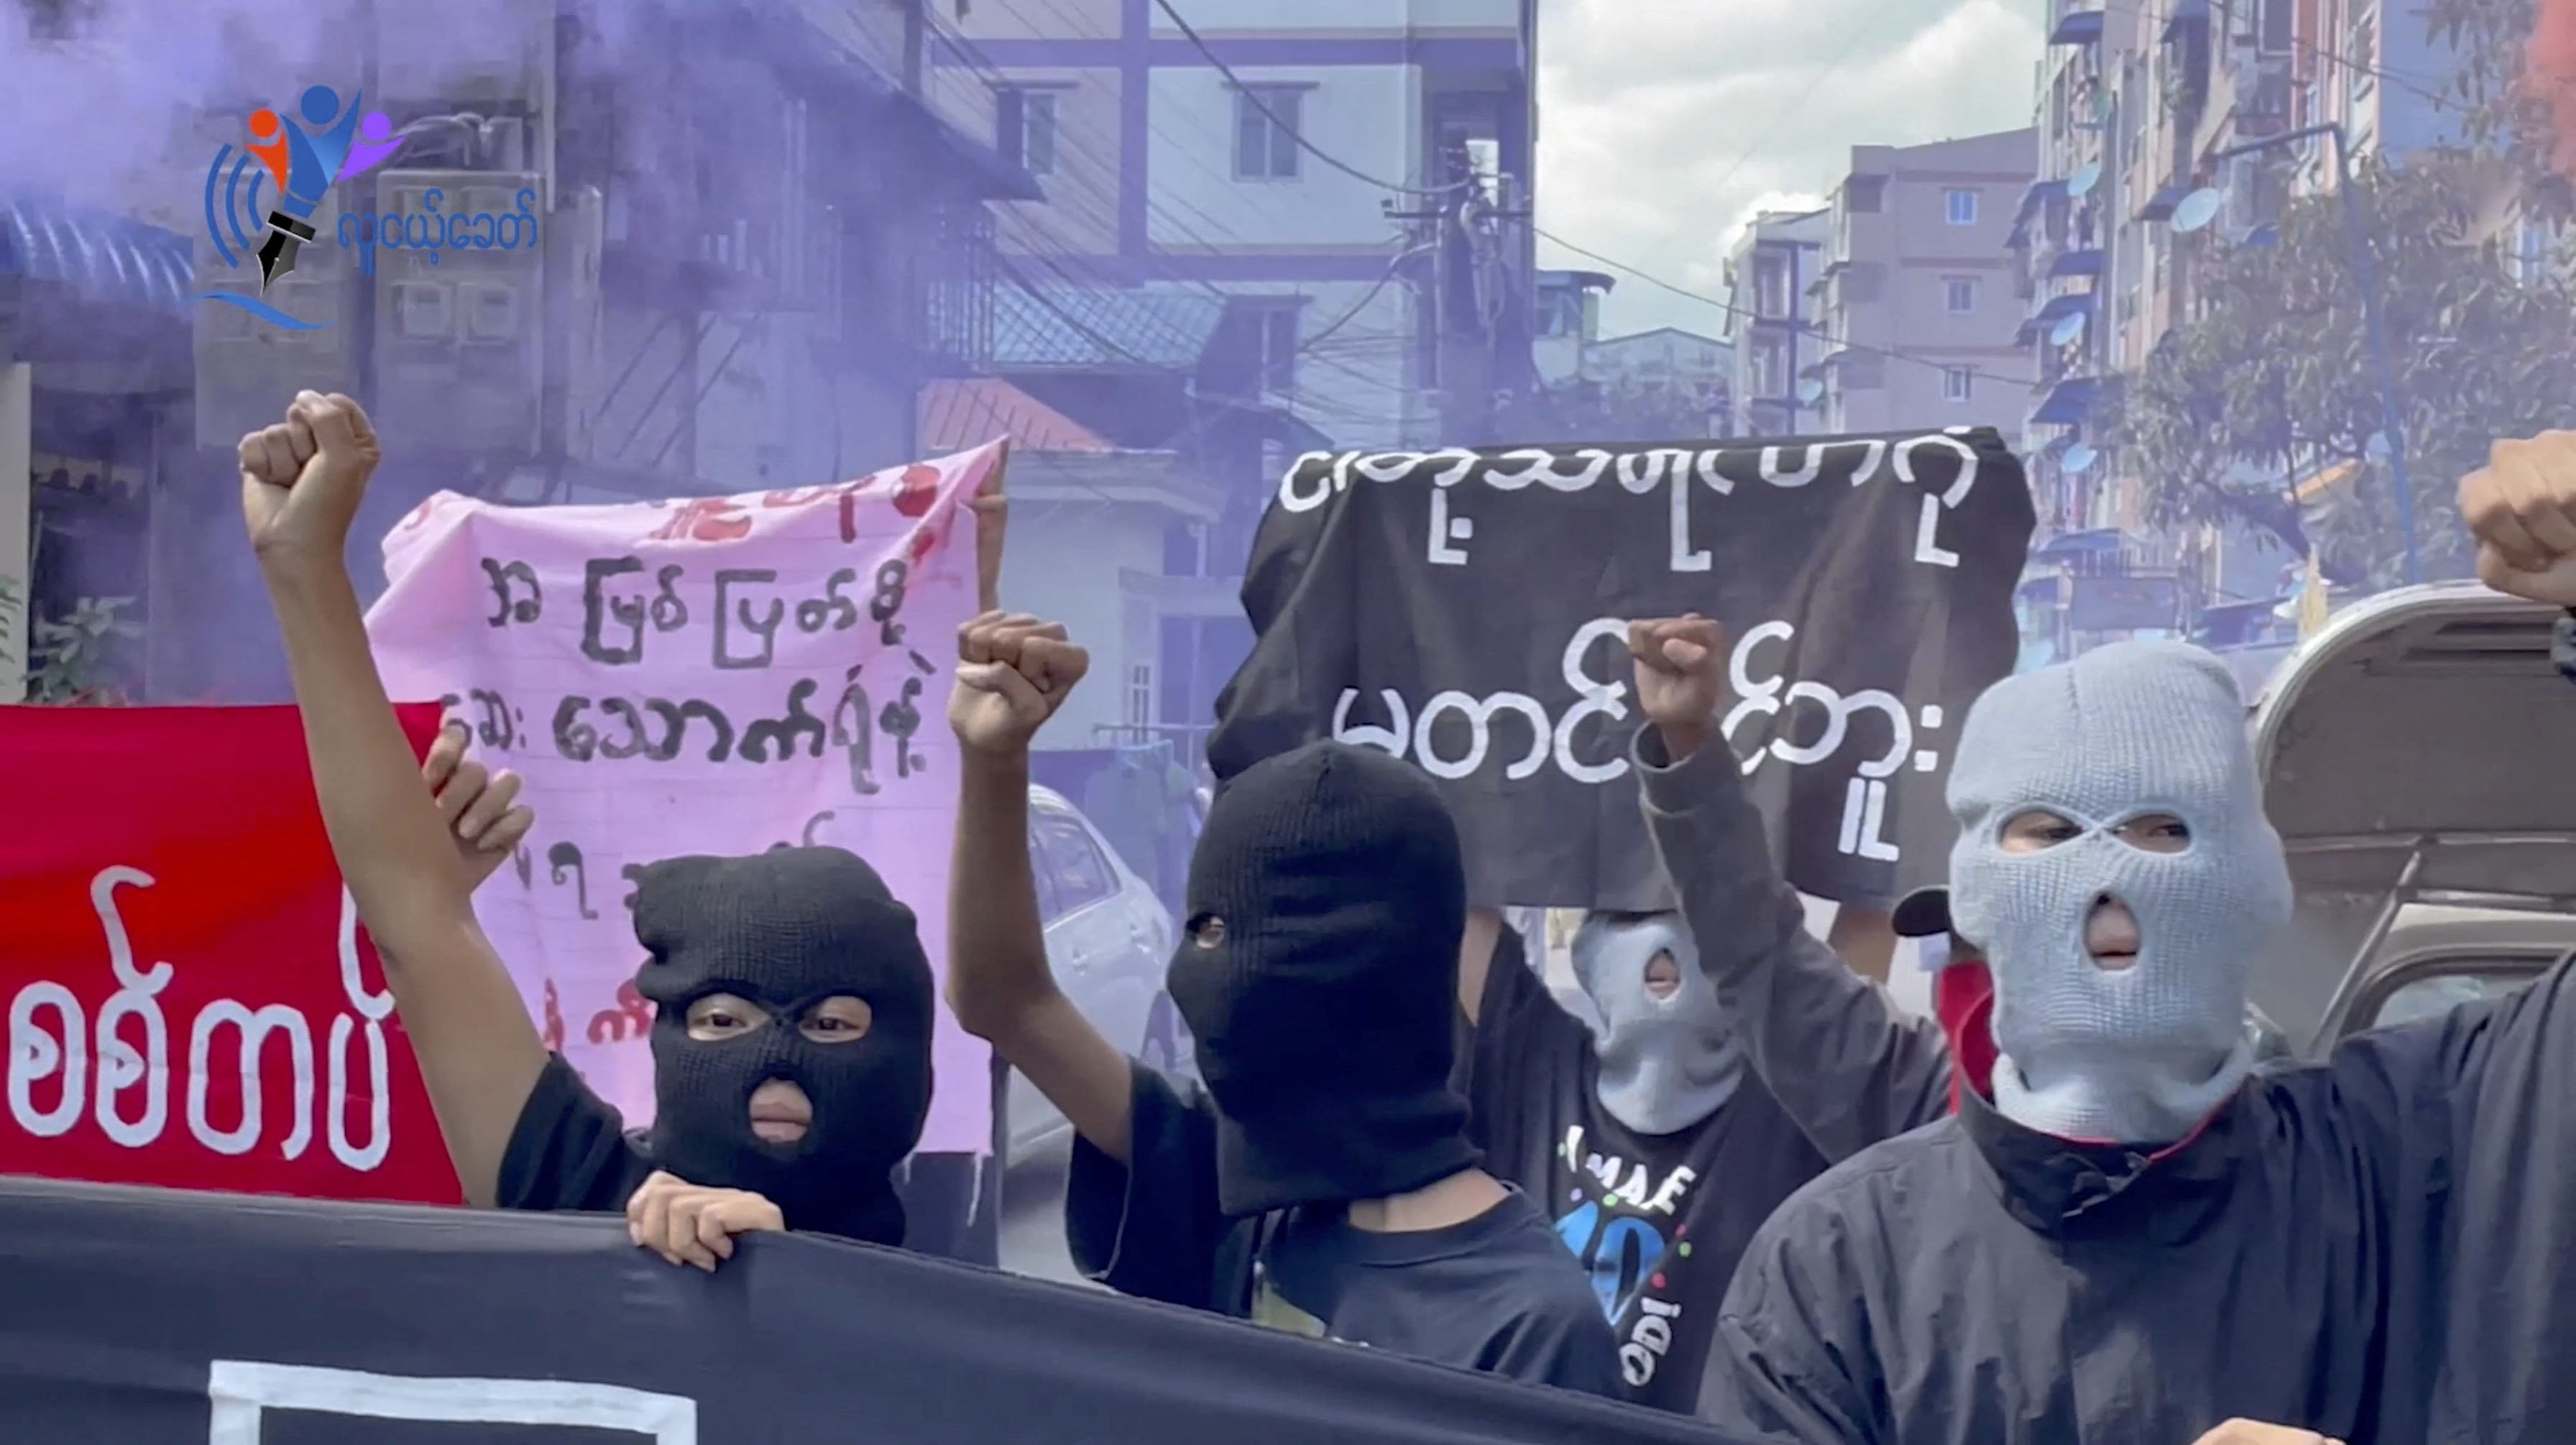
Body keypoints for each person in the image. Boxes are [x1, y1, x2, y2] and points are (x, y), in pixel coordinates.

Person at [1657, 610, 2576, 1445]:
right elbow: (1769, 975)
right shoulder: (1841, 1264)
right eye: (2047, 833)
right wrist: (1688, 762)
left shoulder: (2403, 1156)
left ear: (2251, 884)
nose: (2103, 880)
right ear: (1978, 899)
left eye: (2159, 831)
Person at [236, 391, 933, 1270]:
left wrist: (799, 1276)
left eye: (832, 1026)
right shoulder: (582, 1199)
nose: (777, 1058)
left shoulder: (980, 1318)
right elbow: (412, 922)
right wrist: (304, 572)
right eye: (722, 1018)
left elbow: (1016, 995)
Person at [942, 610, 1619, 1395]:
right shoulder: (1237, 1195)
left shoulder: (1531, 1326)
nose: (1198, 979)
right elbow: (1003, 1001)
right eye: (1203, 932)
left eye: (1231, 935)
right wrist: (992, 763)